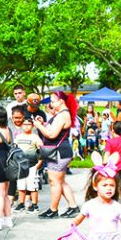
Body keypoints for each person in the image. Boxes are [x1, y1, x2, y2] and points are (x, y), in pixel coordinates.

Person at [36, 91, 79, 219]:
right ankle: (73, 207)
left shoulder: (63, 115)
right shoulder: (62, 114)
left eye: (53, 101)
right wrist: (44, 124)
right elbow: (53, 130)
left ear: (61, 101)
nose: (51, 104)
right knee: (61, 181)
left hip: (59, 152)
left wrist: (38, 126)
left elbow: (51, 134)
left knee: (54, 182)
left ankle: (53, 210)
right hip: (61, 151)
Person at [11, 111, 43, 213]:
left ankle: (34, 205)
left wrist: (40, 162)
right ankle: (21, 203)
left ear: (32, 125)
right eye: (24, 124)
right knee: (21, 185)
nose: (26, 126)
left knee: (32, 186)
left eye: (28, 124)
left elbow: (42, 150)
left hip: (32, 165)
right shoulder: (18, 137)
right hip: (20, 166)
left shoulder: (35, 137)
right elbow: (14, 149)